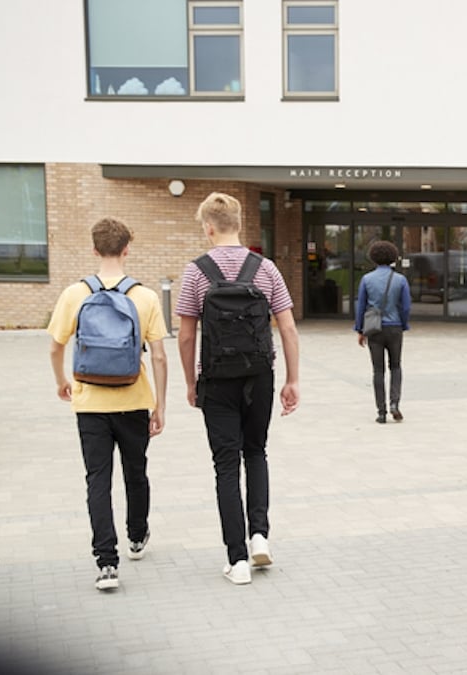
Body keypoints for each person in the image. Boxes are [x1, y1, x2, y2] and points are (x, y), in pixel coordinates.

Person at [176, 192, 300, 586]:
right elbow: (288, 327)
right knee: (256, 451)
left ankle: (237, 559)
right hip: (259, 375)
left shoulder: (196, 272)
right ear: (240, 225)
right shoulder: (265, 269)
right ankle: (259, 534)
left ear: (208, 227)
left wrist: (190, 381)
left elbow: (184, 335)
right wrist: (292, 380)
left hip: (216, 377)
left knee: (226, 464)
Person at [46, 217, 168, 591]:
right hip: (133, 401)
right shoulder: (144, 297)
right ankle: (137, 536)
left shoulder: (74, 294)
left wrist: (63, 382)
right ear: (127, 248)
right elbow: (160, 357)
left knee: (98, 479)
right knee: (136, 471)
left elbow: (55, 347)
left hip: (89, 404)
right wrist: (159, 406)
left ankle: (107, 564)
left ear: (94, 249)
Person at [354, 240, 411, 424]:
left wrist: (360, 329)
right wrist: (403, 324)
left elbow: (361, 306)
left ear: (373, 257)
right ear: (393, 257)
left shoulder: (366, 279)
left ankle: (381, 411)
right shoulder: (401, 280)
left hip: (374, 329)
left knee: (377, 370)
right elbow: (406, 307)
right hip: (394, 327)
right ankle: (395, 402)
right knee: (395, 366)